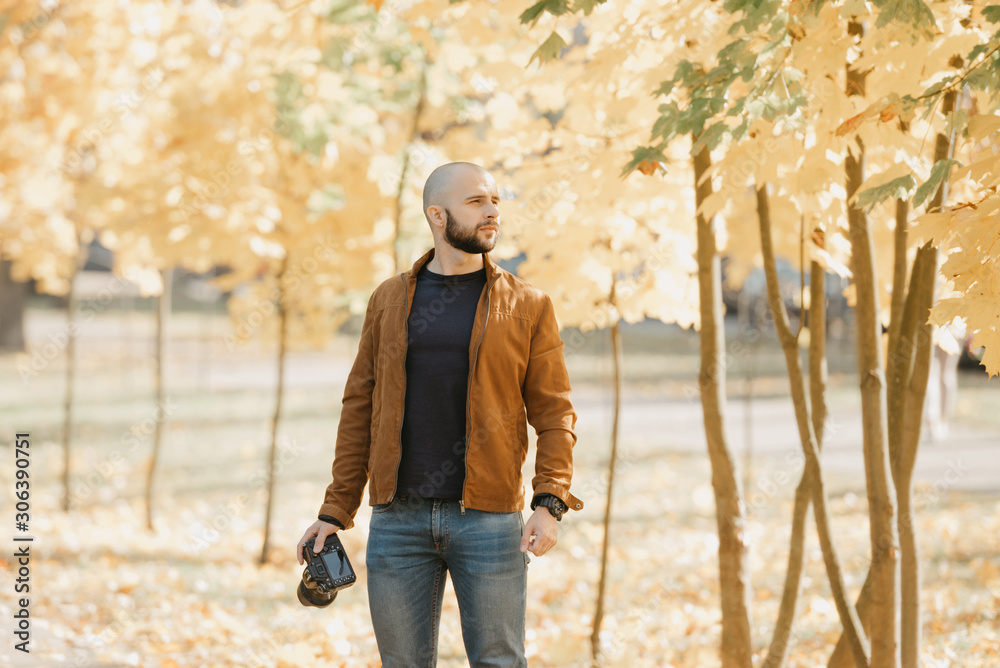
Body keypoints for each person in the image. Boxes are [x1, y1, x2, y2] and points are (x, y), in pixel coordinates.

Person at [296, 161, 583, 667]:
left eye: (494, 201)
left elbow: (555, 412)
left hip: (490, 521)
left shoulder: (529, 306)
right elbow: (359, 407)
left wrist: (550, 500)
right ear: (436, 214)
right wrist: (334, 511)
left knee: (499, 661)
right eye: (476, 202)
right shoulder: (388, 300)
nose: (492, 212)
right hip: (397, 520)